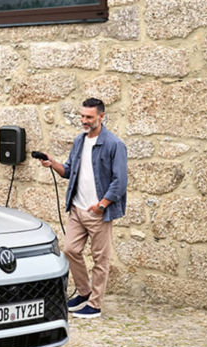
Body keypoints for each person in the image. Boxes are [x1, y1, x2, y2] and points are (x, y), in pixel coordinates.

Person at [39, 98, 127, 319]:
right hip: (77, 209)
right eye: (82, 116)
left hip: (98, 212)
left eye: (89, 116)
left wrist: (101, 205)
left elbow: (120, 182)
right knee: (70, 250)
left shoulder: (114, 144)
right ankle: (84, 291)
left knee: (100, 259)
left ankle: (94, 305)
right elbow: (69, 170)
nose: (84, 120)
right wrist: (53, 163)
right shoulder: (79, 141)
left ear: (101, 116)